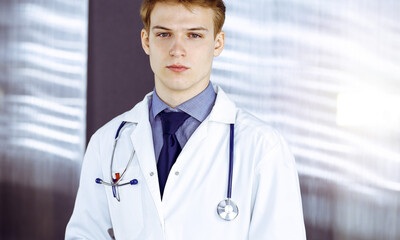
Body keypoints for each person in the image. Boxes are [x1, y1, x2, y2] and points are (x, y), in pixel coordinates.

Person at [65, 0, 306, 239]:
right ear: (146, 40)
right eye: (163, 34)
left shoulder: (262, 147)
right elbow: (85, 234)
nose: (177, 49)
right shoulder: (108, 142)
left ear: (218, 43)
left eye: (194, 35)